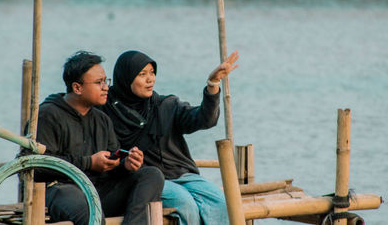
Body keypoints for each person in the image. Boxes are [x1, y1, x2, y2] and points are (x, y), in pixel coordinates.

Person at [99, 50, 239, 225]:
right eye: (142, 74)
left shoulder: (166, 105)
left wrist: (213, 84)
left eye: (152, 72)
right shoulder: (107, 113)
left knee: (219, 202)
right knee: (185, 204)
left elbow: (204, 119)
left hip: (183, 175)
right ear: (126, 78)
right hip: (148, 179)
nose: (150, 79)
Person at [27, 51, 164, 225]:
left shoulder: (102, 119)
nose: (106, 87)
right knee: (91, 210)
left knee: (151, 174)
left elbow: (113, 165)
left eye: (106, 81)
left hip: (97, 190)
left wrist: (125, 164)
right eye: (99, 83)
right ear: (77, 88)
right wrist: (89, 162)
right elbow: (36, 165)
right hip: (60, 190)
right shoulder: (48, 115)